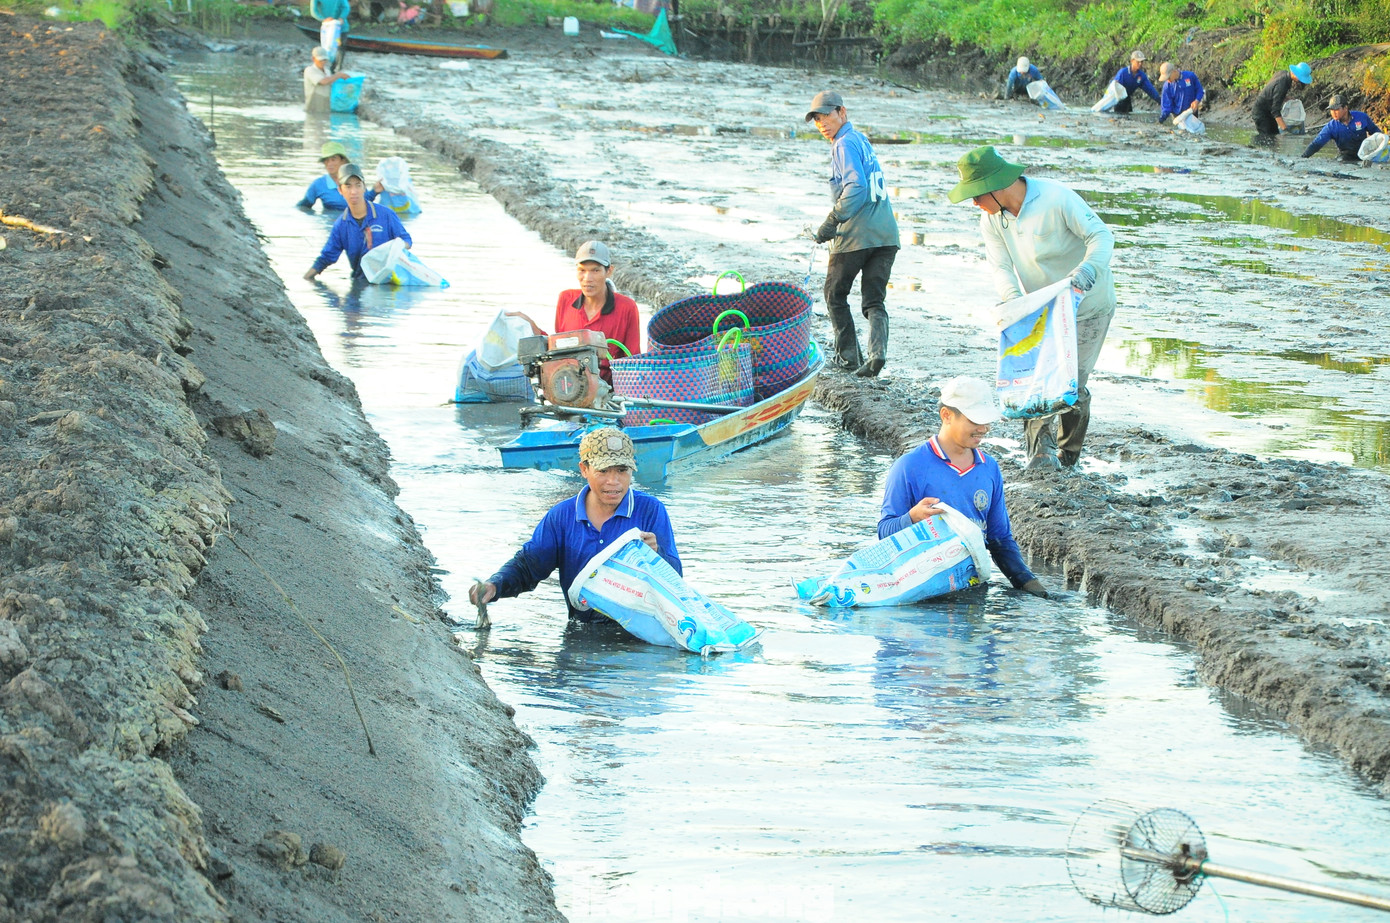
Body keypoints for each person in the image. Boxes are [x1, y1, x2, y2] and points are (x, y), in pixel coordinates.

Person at [947, 146, 1115, 471]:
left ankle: (1068, 455)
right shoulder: (992, 219)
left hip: (1088, 304)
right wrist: (1013, 303)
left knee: (1071, 386)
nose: (973, 203)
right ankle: (1040, 456)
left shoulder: (1056, 199)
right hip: (1041, 311)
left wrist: (1087, 271)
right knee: (1034, 381)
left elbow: (1102, 236)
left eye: (976, 195)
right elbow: (1001, 267)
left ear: (995, 187)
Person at [468, 428, 681, 620]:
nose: (613, 481)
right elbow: (529, 565)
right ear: (584, 469)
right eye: (603, 471)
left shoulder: (650, 511)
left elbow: (675, 583)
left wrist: (657, 554)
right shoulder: (562, 517)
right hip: (583, 633)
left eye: (622, 470)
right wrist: (494, 586)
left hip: (640, 638)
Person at [878, 376, 1049, 599]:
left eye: (986, 421)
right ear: (947, 415)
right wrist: (912, 518)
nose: (984, 428)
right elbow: (884, 533)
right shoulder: (910, 467)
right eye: (975, 421)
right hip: (920, 594)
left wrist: (1032, 587)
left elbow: (999, 540)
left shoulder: (989, 469)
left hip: (972, 590)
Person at [804, 90, 901, 378]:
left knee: (834, 294)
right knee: (873, 301)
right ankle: (876, 354)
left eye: (826, 117)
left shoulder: (842, 144)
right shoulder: (860, 139)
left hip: (856, 236)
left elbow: (856, 188)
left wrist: (832, 222)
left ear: (842, 113)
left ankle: (848, 358)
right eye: (817, 120)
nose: (822, 124)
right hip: (886, 234)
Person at [506, 241, 642, 383]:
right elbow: (558, 348)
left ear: (609, 271)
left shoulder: (627, 307)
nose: (587, 278)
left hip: (608, 389)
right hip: (569, 384)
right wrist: (532, 326)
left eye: (595, 270)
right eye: (582, 270)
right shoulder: (566, 299)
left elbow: (633, 360)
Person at [303, 162, 412, 281]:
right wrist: (306, 279)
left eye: (358, 185)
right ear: (340, 190)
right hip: (361, 282)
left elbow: (407, 241)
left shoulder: (386, 215)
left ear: (364, 187)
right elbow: (326, 258)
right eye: (348, 186)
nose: (353, 191)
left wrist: (394, 248)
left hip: (390, 280)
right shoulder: (341, 225)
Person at [296, 141, 379, 211]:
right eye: (326, 160)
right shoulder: (318, 184)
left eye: (333, 159)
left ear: (343, 161)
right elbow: (303, 206)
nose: (329, 164)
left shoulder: (354, 179)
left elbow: (365, 201)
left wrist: (374, 192)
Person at [1302, 94, 1380, 162]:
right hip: (1345, 157)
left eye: (1336, 109)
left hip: (1365, 154)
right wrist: (1303, 157)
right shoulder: (1331, 127)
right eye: (1331, 110)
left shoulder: (1361, 117)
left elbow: (1376, 133)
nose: (1333, 113)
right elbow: (1317, 144)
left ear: (1345, 108)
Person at [1252, 62, 1312, 136]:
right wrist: (1285, 129)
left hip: (1268, 110)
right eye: (1300, 79)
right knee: (1267, 138)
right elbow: (1275, 111)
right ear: (1294, 74)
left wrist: (1285, 98)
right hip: (1261, 113)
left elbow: (1273, 91)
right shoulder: (1282, 85)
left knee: (1274, 135)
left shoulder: (1283, 74)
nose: (1300, 82)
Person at [303, 46, 349, 113]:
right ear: (313, 59)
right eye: (320, 60)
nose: (323, 62)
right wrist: (339, 75)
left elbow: (331, 84)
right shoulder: (310, 70)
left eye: (324, 60)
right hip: (312, 109)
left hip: (325, 108)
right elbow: (323, 82)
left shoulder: (327, 71)